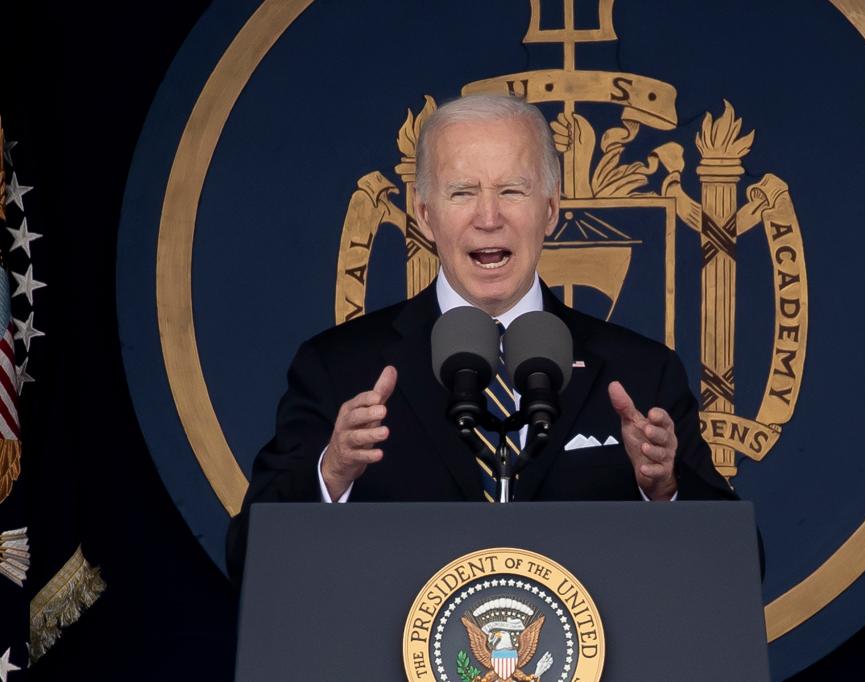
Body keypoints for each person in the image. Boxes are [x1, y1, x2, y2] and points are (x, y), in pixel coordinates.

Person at [226, 95, 736, 583]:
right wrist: (330, 474)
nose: (488, 217)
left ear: (551, 210)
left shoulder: (642, 374)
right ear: (425, 215)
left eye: (512, 191)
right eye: (462, 192)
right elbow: (248, 559)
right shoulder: (338, 368)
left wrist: (664, 491)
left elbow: (734, 565)